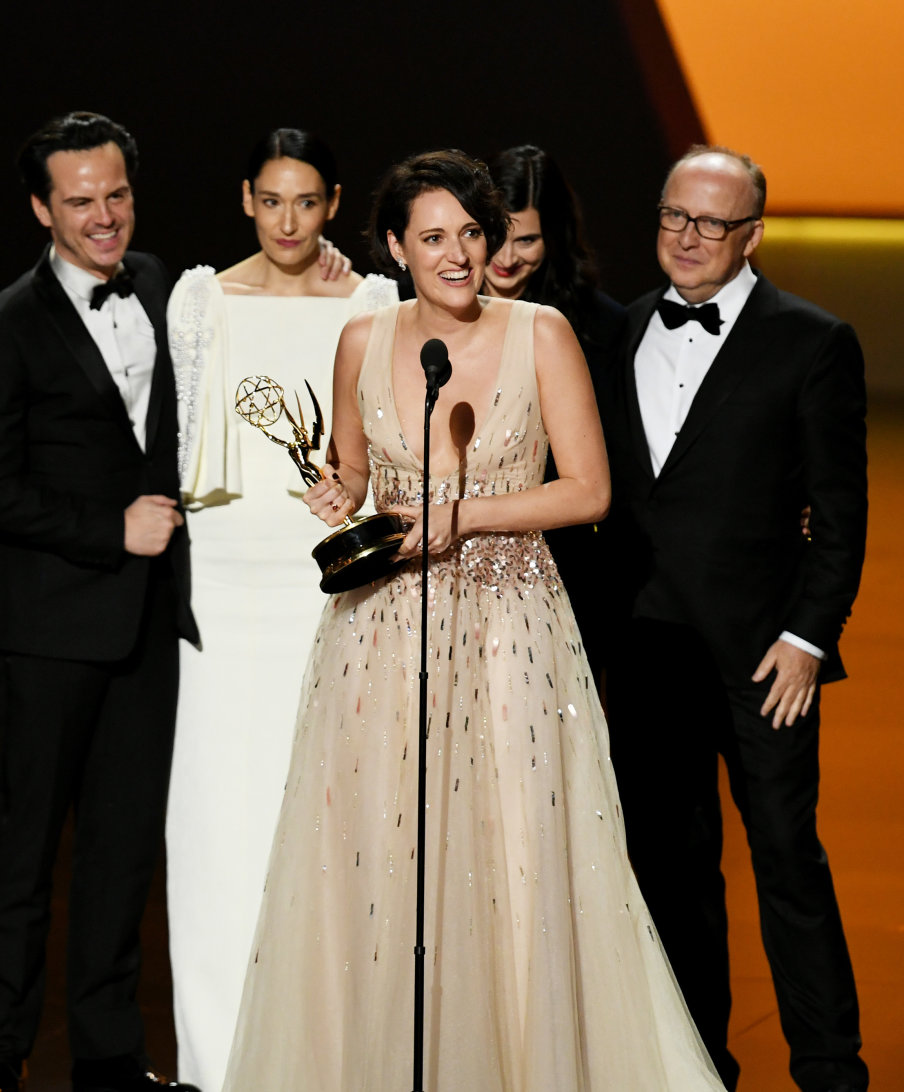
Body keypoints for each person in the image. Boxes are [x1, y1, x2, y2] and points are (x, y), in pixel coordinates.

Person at [222, 150, 725, 1091]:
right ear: (394, 247)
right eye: (433, 238)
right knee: (386, 857)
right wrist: (336, 493)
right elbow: (358, 477)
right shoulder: (361, 341)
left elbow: (588, 491)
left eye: (469, 233)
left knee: (514, 857)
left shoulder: (542, 334)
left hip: (511, 629)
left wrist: (463, 516)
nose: (456, 255)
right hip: (379, 635)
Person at [596, 146, 868, 1092]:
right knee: (676, 878)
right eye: (675, 215)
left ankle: (832, 1069)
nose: (688, 237)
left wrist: (808, 640)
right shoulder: (622, 330)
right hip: (649, 652)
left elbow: (840, 516)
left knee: (789, 863)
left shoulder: (812, 340)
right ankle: (699, 1065)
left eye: (712, 223)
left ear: (752, 233)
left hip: (766, 661)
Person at [0, 111, 200, 1092]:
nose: (104, 217)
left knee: (120, 851)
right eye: (80, 201)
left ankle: (109, 1056)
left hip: (148, 626)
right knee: (24, 855)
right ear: (39, 209)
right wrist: (112, 530)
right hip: (52, 627)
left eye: (116, 195)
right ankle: (1, 1058)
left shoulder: (163, 287)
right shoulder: (2, 324)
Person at [162, 127, 397, 1092]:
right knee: (219, 823)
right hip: (220, 579)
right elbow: (173, 431)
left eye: (307, 202)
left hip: (328, 580)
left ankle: (335, 1056)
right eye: (272, 201)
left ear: (334, 203)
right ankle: (219, 1062)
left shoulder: (377, 299)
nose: (289, 221)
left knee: (335, 817)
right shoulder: (200, 298)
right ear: (246, 199)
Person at [481, 144, 626, 675]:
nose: (506, 258)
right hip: (445, 558)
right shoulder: (425, 310)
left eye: (527, 240)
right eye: (495, 235)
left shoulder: (600, 327)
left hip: (563, 568)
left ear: (556, 238)